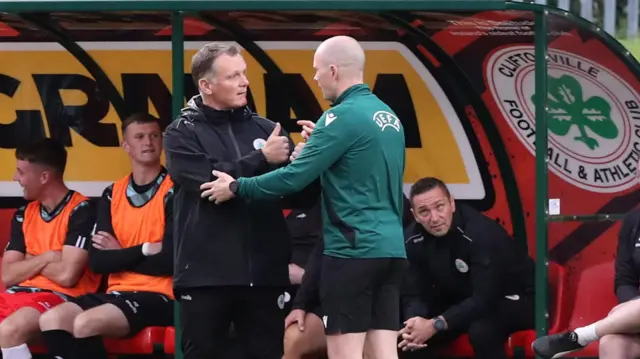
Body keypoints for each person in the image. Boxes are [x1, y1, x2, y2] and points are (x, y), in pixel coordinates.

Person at [202, 35, 408, 359]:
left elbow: (292, 179)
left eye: (317, 70)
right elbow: (357, 170)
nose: (315, 78)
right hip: (391, 250)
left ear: (334, 70)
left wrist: (237, 186)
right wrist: (320, 145)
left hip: (351, 252)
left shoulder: (340, 117)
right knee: (384, 353)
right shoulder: (388, 117)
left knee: (345, 353)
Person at [163, 42, 319, 359]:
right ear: (206, 85)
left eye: (244, 74)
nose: (244, 82)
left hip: (264, 276)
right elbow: (207, 183)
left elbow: (300, 197)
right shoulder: (180, 132)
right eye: (233, 76)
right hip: (206, 277)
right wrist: (261, 158)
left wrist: (309, 163)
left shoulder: (267, 129)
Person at [36, 114, 174, 359]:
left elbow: (169, 261)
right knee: (52, 319)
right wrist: (143, 249)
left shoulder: (175, 189)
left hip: (161, 295)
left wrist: (119, 253)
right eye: (139, 137)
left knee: (85, 323)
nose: (148, 143)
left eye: (154, 136)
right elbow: (99, 262)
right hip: (117, 292)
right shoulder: (113, 192)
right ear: (126, 146)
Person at [398, 177, 535, 359]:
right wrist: (414, 321)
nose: (434, 218)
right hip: (465, 299)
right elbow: (413, 292)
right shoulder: (411, 239)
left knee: (481, 331)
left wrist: (435, 324)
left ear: (452, 204)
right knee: (407, 338)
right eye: (424, 212)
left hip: (518, 298)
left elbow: (484, 298)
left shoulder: (480, 234)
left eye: (439, 207)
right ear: (414, 215)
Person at [0, 138, 100, 359]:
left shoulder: (82, 210)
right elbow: (7, 275)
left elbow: (67, 276)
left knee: (8, 330)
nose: (16, 178)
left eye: (21, 172)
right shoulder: (23, 213)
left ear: (44, 177)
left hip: (62, 298)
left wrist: (28, 260)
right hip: (18, 295)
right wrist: (48, 256)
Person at [531, 159, 640, 359]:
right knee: (612, 342)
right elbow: (624, 280)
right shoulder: (633, 221)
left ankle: (580, 336)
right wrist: (632, 307)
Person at [283, 196, 414, 359]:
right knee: (295, 336)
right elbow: (319, 255)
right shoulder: (337, 202)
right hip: (334, 302)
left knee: (374, 349)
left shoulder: (394, 205)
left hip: (379, 303)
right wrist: (300, 304)